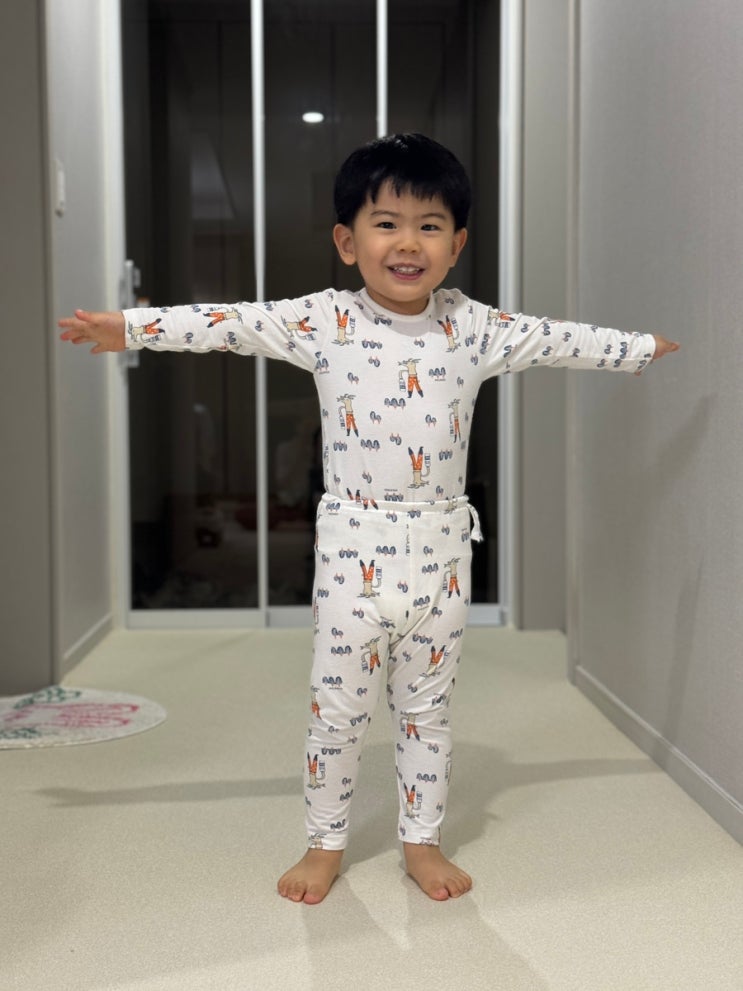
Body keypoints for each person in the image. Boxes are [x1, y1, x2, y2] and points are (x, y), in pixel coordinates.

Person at [59, 133, 680, 905]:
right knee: (337, 713)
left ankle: (422, 841)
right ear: (347, 242)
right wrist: (128, 328)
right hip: (353, 550)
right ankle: (324, 842)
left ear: (456, 245)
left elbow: (556, 338)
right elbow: (230, 322)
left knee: (427, 712)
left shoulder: (472, 326)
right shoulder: (324, 320)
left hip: (441, 554)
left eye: (429, 225)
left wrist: (637, 348)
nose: (408, 242)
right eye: (386, 223)